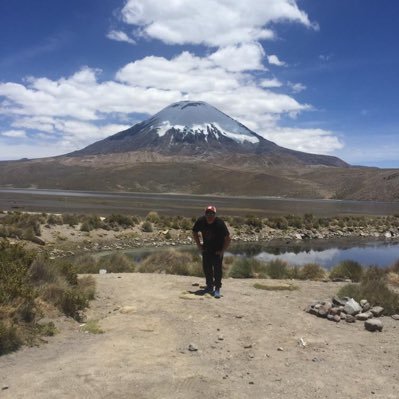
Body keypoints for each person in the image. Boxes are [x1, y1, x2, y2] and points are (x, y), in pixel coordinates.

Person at [192, 205, 231, 298]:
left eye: (212, 213)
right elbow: (194, 232)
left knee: (217, 270)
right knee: (207, 268)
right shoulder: (201, 221)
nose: (209, 215)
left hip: (217, 251)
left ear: (215, 214)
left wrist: (222, 251)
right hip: (206, 249)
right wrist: (199, 245)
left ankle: (217, 288)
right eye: (207, 213)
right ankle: (209, 286)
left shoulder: (220, 223)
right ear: (205, 214)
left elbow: (228, 238)